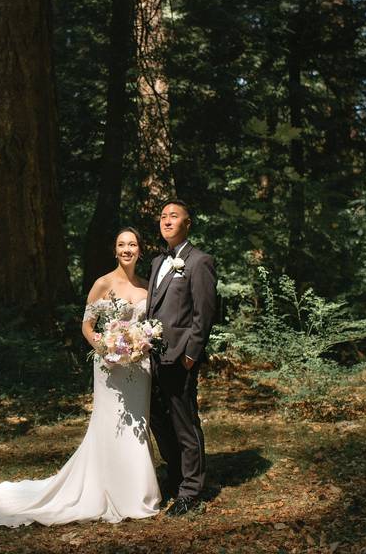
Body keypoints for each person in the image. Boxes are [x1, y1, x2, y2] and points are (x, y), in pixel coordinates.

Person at [0, 228, 160, 529]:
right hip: (109, 367)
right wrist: (105, 348)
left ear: (140, 250)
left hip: (139, 368)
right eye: (121, 244)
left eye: (132, 244)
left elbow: (150, 327)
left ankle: (136, 489)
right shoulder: (102, 283)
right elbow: (87, 326)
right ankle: (109, 490)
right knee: (109, 423)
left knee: (137, 424)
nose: (127, 249)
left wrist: (140, 342)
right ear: (114, 250)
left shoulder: (147, 288)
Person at [146, 199, 218, 516]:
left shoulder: (199, 261)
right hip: (153, 356)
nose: (167, 220)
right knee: (160, 422)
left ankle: (190, 490)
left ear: (188, 223)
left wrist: (191, 354)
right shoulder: (155, 263)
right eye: (163, 216)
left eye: (174, 216)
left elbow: (204, 313)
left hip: (180, 357)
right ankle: (174, 476)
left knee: (185, 424)